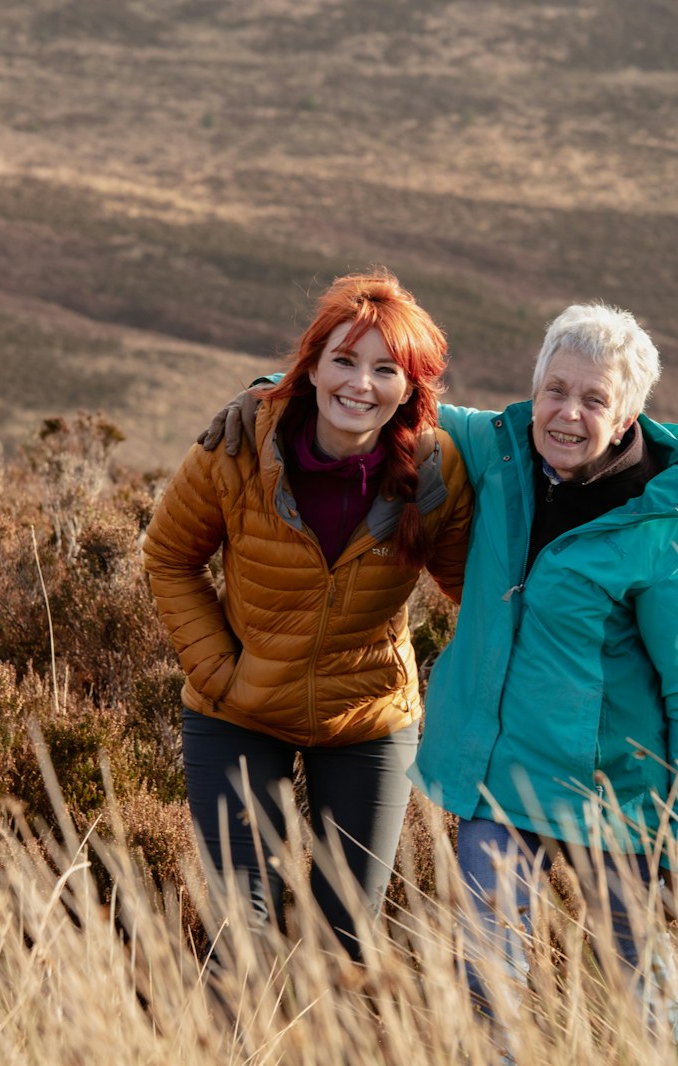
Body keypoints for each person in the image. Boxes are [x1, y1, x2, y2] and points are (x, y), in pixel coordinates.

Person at [199, 302, 678, 1046]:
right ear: (535, 384)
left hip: (620, 802)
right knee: (486, 981)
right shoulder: (498, 449)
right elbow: (376, 401)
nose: (567, 414)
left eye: (594, 399)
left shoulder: (664, 534)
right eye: (555, 389)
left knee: (642, 984)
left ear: (631, 412)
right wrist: (268, 394)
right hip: (505, 788)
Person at [141, 270, 473, 961]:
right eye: (343, 361)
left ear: (411, 387)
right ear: (312, 367)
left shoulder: (436, 471)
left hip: (368, 720)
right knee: (241, 931)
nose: (360, 384)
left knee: (343, 938)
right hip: (238, 711)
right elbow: (169, 557)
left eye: (386, 369)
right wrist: (219, 672)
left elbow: (472, 586)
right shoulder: (235, 447)